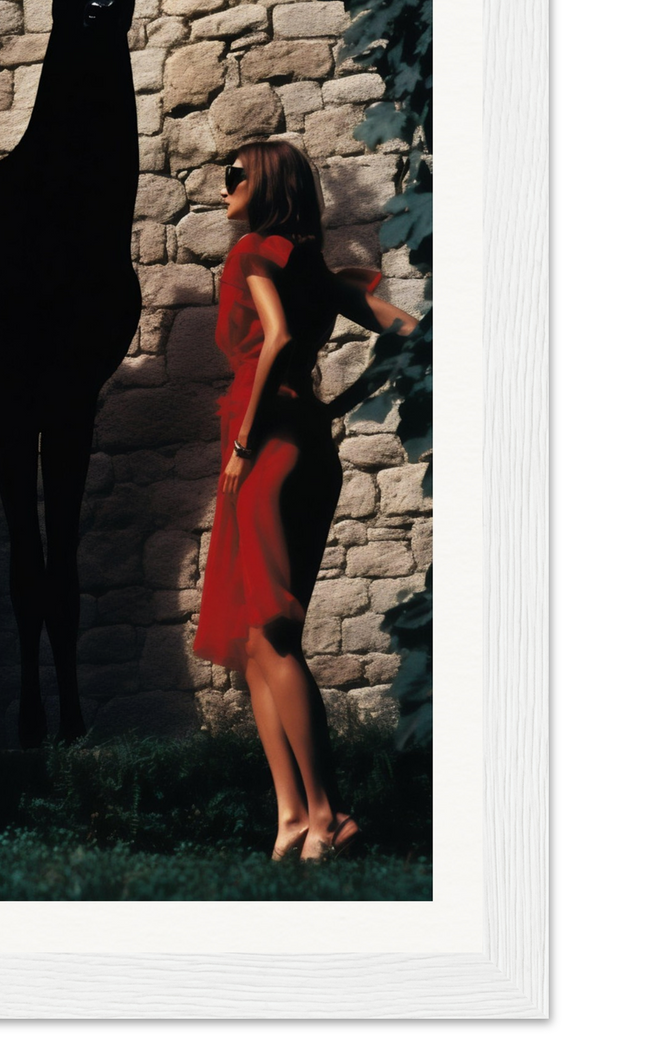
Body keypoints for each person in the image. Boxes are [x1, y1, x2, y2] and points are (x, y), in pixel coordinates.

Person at [192, 141, 419, 863]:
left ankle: (325, 814)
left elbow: (278, 338)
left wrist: (241, 445)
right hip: (300, 446)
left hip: (263, 451)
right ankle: (291, 818)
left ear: (263, 184)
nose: (224, 185)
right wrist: (342, 400)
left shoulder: (252, 251)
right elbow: (410, 335)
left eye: (234, 175)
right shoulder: (313, 268)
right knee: (260, 637)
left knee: (272, 633)